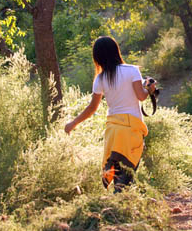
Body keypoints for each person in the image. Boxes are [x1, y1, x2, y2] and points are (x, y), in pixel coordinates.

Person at [64, 36, 156, 191]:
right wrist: (149, 89)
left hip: (113, 131)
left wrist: (73, 123)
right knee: (127, 175)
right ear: (116, 51)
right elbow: (141, 96)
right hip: (131, 129)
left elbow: (92, 108)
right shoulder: (132, 70)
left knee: (117, 174)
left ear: (97, 57)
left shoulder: (100, 79)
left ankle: (118, 205)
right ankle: (120, 208)